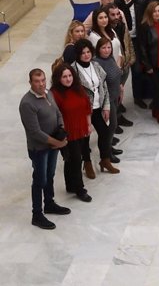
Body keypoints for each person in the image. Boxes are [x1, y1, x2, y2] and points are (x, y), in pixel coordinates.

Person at [19, 68, 70, 230]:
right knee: (40, 180)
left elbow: (58, 113)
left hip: (54, 144)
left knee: (50, 175)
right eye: (37, 81)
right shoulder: (27, 103)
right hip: (39, 148)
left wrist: (61, 129)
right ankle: (37, 214)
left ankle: (49, 203)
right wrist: (57, 142)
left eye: (43, 80)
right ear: (30, 83)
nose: (41, 84)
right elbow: (34, 132)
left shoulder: (49, 93)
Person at [71, 39, 119, 175]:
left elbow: (103, 86)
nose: (86, 55)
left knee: (105, 133)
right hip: (84, 111)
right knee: (85, 138)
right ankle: (87, 163)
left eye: (88, 52)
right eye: (83, 53)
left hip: (99, 106)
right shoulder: (73, 70)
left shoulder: (96, 65)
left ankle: (105, 160)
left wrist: (106, 106)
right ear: (78, 54)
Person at [50, 64, 93, 202]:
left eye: (70, 76)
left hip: (81, 128)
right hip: (67, 132)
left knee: (70, 159)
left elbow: (86, 106)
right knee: (75, 159)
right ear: (58, 78)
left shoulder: (78, 88)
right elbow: (54, 116)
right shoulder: (55, 93)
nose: (68, 79)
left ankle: (70, 185)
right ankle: (80, 189)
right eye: (64, 77)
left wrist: (88, 123)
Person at [115, 0, 147, 109]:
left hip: (136, 39)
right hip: (121, 40)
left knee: (137, 70)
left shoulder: (140, 2)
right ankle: (118, 101)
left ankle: (138, 97)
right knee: (120, 72)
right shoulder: (116, 4)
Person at [138, 1, 159, 127]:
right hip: (153, 64)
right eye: (155, 11)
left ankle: (155, 110)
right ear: (149, 12)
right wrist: (148, 66)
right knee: (158, 89)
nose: (157, 13)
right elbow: (142, 48)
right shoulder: (145, 26)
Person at [94, 38, 124, 158]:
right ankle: (107, 155)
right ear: (98, 49)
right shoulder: (96, 63)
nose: (107, 50)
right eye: (103, 48)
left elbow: (117, 74)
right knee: (110, 127)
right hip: (107, 100)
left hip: (115, 96)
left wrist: (120, 89)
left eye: (108, 47)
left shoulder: (111, 58)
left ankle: (109, 147)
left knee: (112, 126)